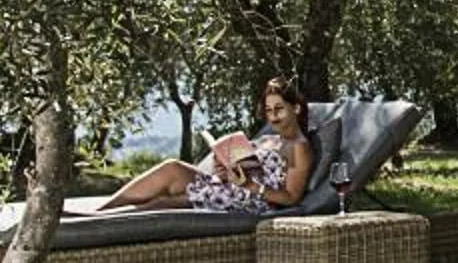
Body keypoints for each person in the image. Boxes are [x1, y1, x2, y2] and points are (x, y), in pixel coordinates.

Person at [97, 75, 316, 216]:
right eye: (269, 111)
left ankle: (103, 220)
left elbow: (291, 197)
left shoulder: (298, 147)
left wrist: (249, 185)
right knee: (172, 168)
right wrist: (225, 169)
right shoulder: (272, 139)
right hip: (229, 187)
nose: (273, 116)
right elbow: (247, 166)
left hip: (247, 200)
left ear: (295, 109)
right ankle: (102, 212)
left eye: (279, 109)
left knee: (162, 202)